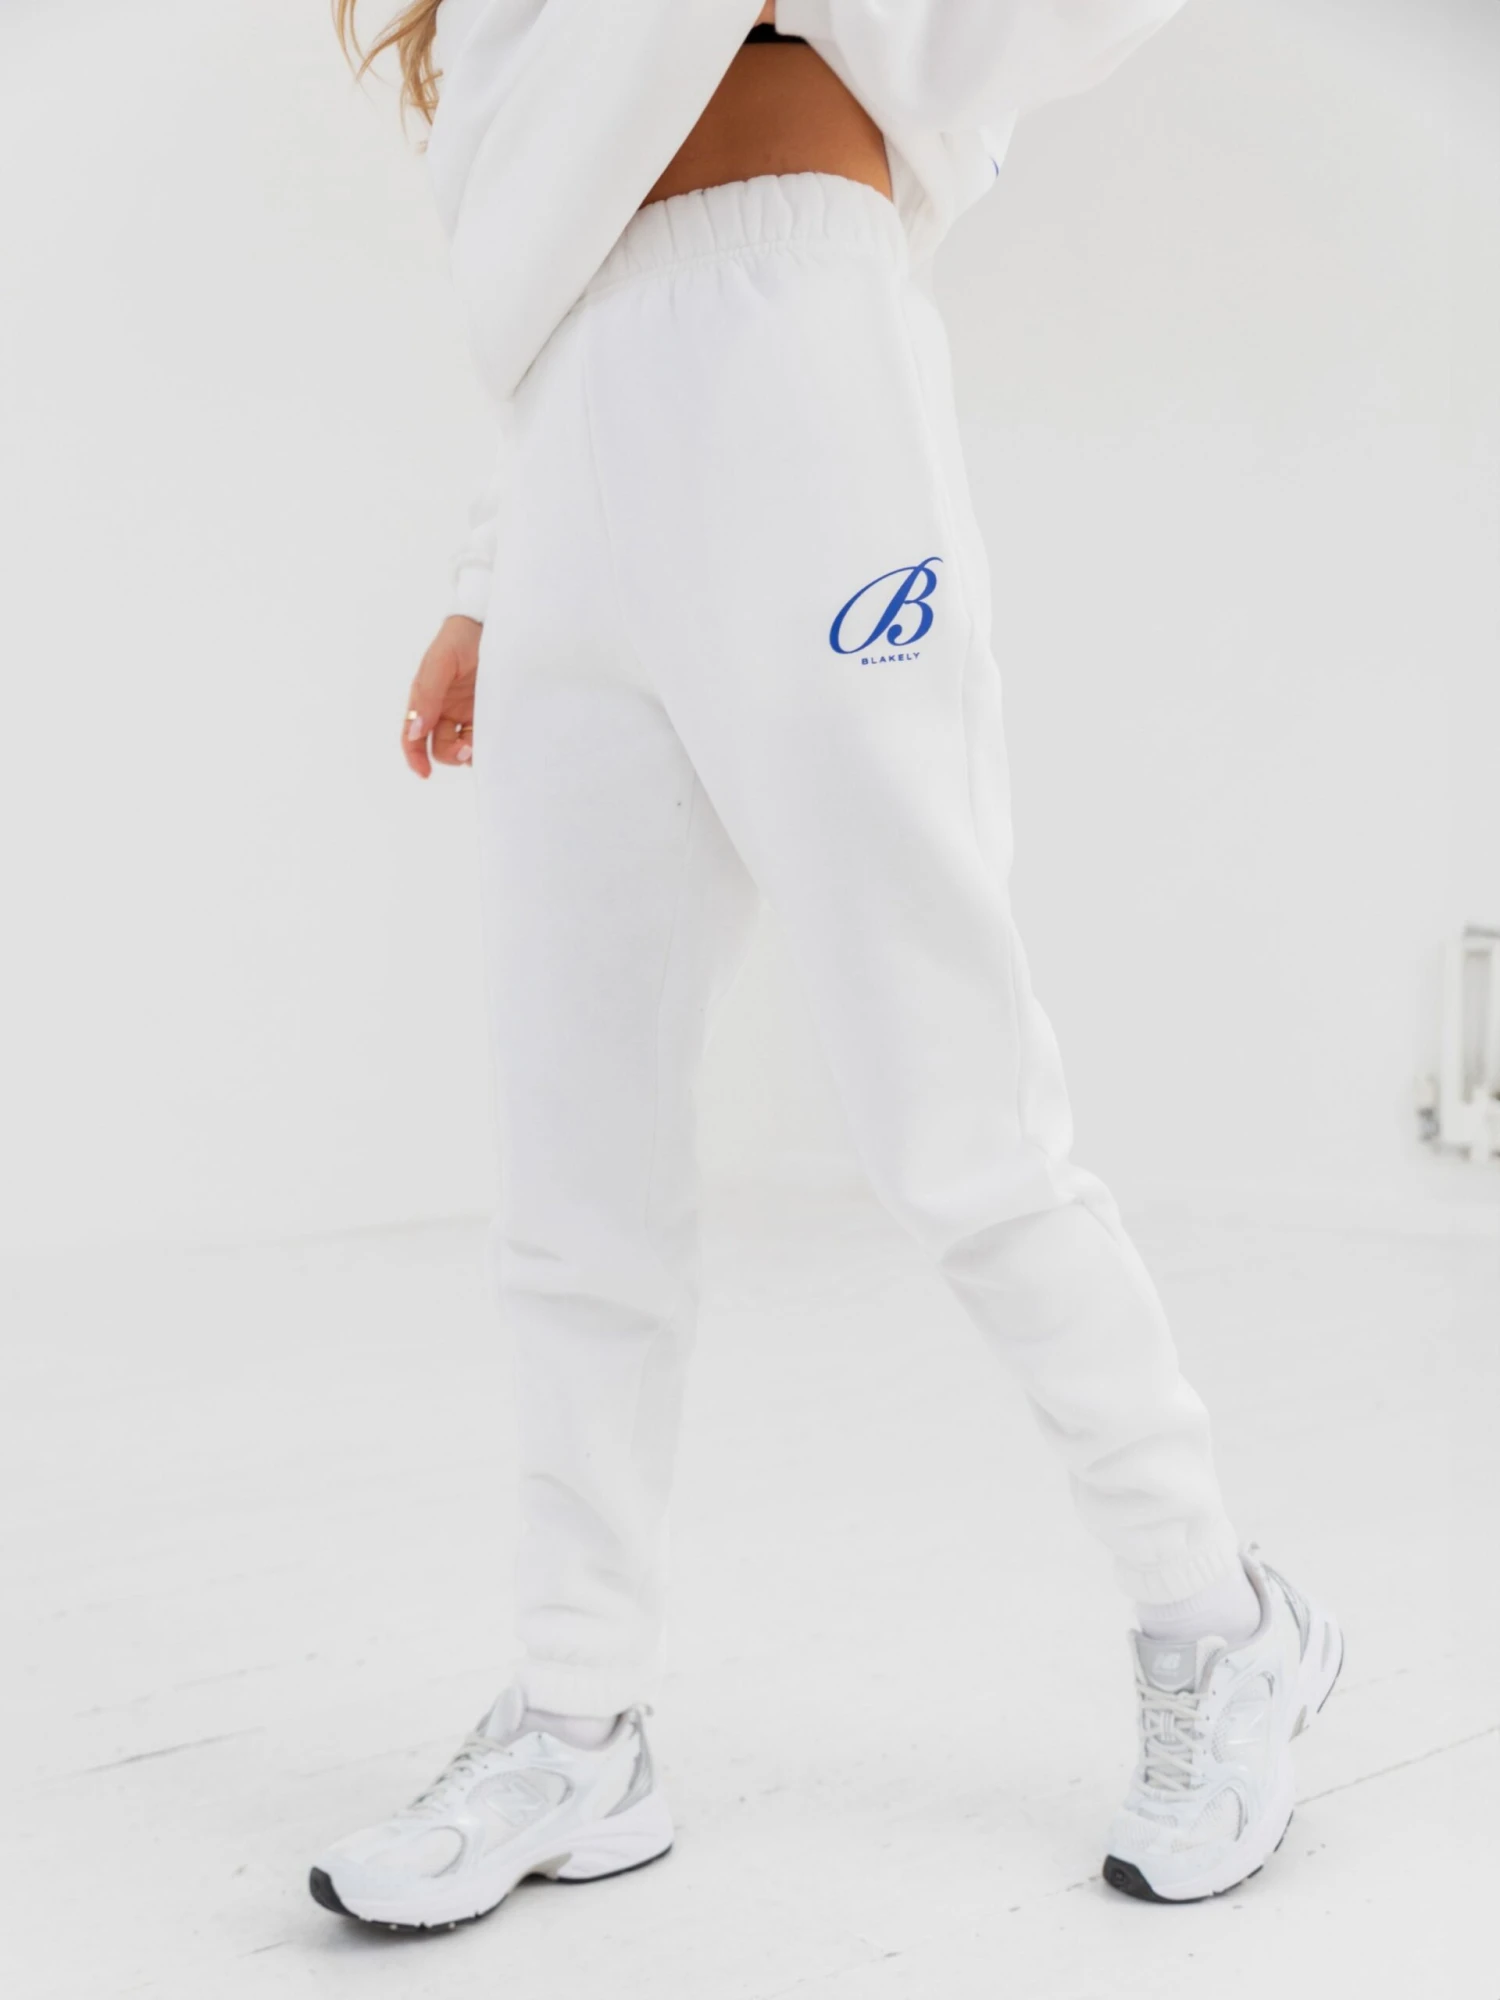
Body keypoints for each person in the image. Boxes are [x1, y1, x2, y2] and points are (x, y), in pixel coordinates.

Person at [312, 0, 1341, 1926]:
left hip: (799, 352)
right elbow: (562, 221)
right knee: (574, 1164)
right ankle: (576, 1718)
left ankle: (1222, 1622)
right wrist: (487, 570)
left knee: (957, 1108)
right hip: (572, 451)